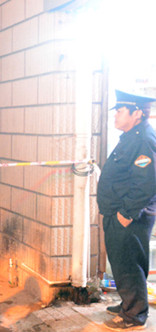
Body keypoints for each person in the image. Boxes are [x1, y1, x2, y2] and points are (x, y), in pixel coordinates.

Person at [97, 89, 156, 331]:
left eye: (120, 111)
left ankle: (134, 316)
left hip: (129, 216)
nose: (115, 116)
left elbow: (146, 182)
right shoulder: (131, 136)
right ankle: (128, 304)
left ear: (137, 113)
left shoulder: (144, 140)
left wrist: (127, 213)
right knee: (121, 262)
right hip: (118, 211)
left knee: (130, 264)